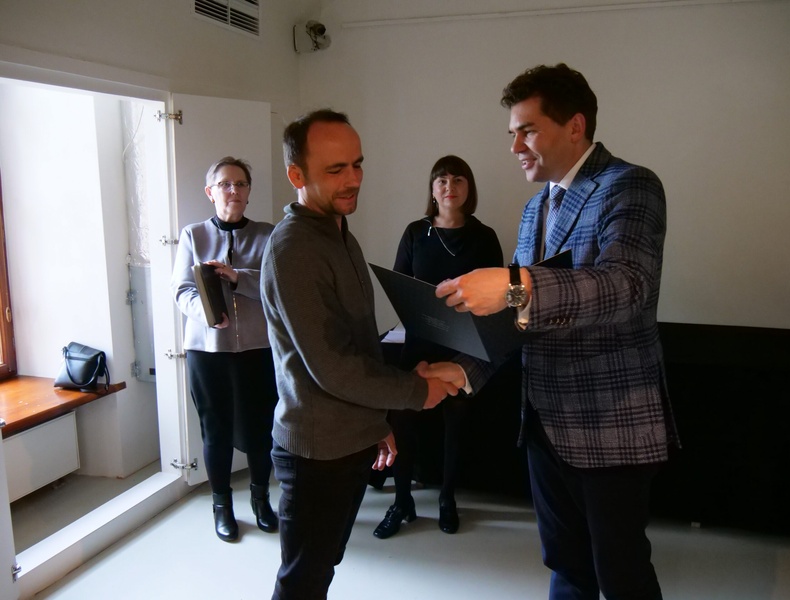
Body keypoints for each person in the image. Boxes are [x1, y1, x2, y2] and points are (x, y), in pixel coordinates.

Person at [428, 64, 680, 599]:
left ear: (575, 126)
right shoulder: (535, 207)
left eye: (528, 130)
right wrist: (464, 370)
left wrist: (515, 284)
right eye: (512, 133)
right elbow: (517, 321)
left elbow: (627, 286)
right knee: (566, 568)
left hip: (610, 425)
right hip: (543, 423)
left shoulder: (630, 185)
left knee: (622, 576)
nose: (515, 146)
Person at [260, 109, 465, 600]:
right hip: (315, 452)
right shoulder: (294, 248)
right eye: (336, 169)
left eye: (357, 164)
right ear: (296, 175)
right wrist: (415, 392)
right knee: (302, 582)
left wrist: (376, 423)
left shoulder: (338, 233)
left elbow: (359, 344)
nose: (353, 179)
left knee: (323, 568)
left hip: (348, 438)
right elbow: (333, 367)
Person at [373, 155, 503, 539]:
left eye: (458, 179)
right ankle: (402, 501)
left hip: (465, 350)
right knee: (404, 419)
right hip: (420, 343)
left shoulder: (485, 236)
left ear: (468, 188)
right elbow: (400, 285)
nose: (450, 187)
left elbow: (496, 298)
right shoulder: (416, 232)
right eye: (442, 180)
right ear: (432, 190)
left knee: (456, 425)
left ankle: (447, 498)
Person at [171, 156, 279, 542]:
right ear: (210, 192)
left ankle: (261, 500)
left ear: (249, 191)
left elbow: (277, 286)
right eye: (225, 184)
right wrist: (207, 316)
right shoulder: (193, 235)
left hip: (259, 349)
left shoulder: (268, 235)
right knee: (214, 430)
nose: (233, 190)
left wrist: (237, 277)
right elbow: (181, 289)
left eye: (241, 184)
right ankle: (222, 507)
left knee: (261, 430)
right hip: (207, 352)